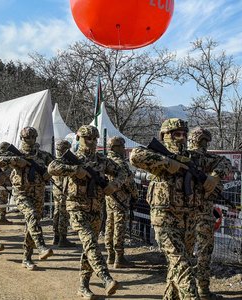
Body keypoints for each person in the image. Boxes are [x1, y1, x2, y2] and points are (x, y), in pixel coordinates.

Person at [130, 118, 215, 299]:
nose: (181, 138)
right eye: (176, 134)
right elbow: (135, 156)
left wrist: (214, 177)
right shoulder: (160, 156)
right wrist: (168, 163)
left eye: (184, 134)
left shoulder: (193, 157)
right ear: (165, 136)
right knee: (182, 266)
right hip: (165, 219)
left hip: (188, 221)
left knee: (177, 267)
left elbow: (222, 163)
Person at [48, 125, 123, 299]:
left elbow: (123, 172)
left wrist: (114, 185)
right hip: (76, 207)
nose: (91, 142)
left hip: (96, 209)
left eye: (94, 139)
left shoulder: (102, 160)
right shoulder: (72, 159)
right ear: (79, 138)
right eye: (87, 138)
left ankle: (83, 286)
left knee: (90, 247)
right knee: (90, 242)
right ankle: (106, 277)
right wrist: (76, 170)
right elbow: (52, 167)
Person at [0, 127, 54, 271]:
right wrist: (14, 160)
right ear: (22, 139)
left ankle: (27, 257)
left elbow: (56, 165)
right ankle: (41, 246)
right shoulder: (15, 154)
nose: (30, 140)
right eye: (27, 138)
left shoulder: (43, 155)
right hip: (21, 193)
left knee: (32, 223)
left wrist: (48, 173)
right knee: (32, 215)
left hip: (38, 194)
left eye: (33, 137)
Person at [187, 127, 232, 299]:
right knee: (204, 253)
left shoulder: (183, 157)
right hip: (204, 214)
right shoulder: (210, 159)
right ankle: (203, 290)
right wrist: (214, 177)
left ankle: (185, 288)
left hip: (184, 215)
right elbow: (226, 163)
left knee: (184, 252)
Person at [104, 136, 139, 268]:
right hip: (121, 199)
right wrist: (135, 195)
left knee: (110, 225)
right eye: (122, 147)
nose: (124, 149)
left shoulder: (106, 161)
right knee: (119, 226)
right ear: (115, 148)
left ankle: (110, 255)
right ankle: (119, 257)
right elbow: (129, 182)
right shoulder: (120, 163)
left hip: (110, 198)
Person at [51, 139, 75, 247]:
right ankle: (62, 238)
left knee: (57, 213)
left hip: (57, 190)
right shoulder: (64, 163)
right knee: (63, 214)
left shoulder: (56, 162)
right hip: (63, 191)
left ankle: (56, 236)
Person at [0, 141, 12, 225]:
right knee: (3, 200)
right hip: (4, 183)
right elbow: (7, 171)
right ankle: (1, 218)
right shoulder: (6, 158)